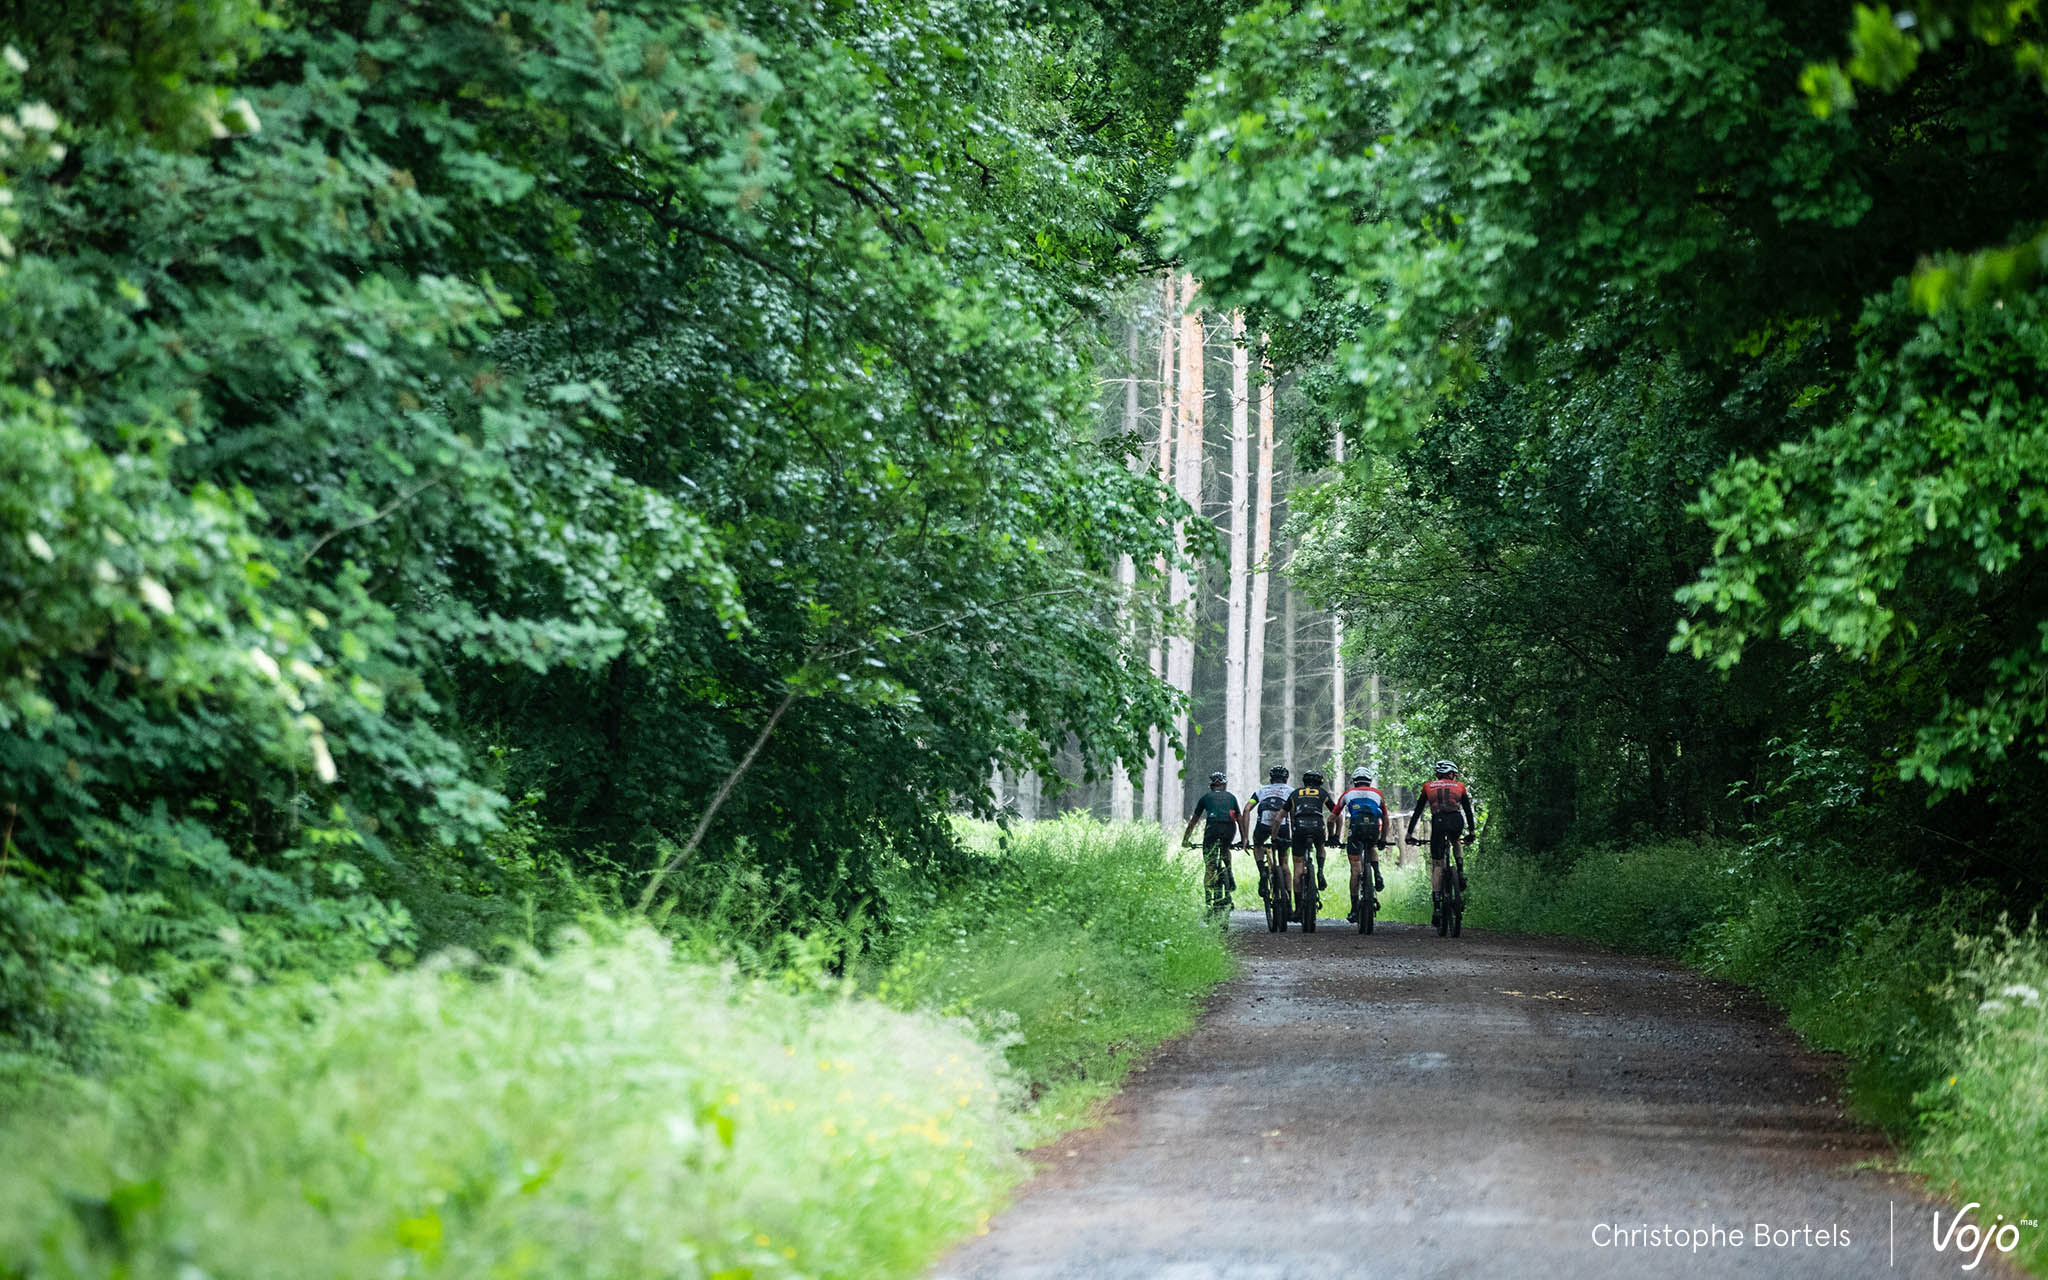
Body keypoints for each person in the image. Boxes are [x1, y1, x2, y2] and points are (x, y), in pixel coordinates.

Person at [1405, 759, 1478, 928]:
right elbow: (1467, 810)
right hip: (1456, 820)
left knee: (1437, 865)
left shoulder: (1428, 786)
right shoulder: (1460, 786)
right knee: (1456, 840)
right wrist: (1472, 832)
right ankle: (1460, 871)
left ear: (1438, 774)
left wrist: (1409, 833)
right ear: (1451, 774)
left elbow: (1418, 811)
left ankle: (1437, 907)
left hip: (1438, 821)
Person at [1181, 771, 1247, 914]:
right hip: (1229, 829)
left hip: (1212, 829)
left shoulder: (1205, 797)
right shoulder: (1231, 797)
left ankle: (1208, 900)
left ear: (1211, 786)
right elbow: (1239, 818)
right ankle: (1229, 871)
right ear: (1225, 785)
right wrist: (1244, 839)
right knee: (1225, 848)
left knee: (1210, 865)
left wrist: (1185, 839)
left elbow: (1194, 821)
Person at [1284, 770, 1339, 923]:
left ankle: (1298, 909)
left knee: (1298, 870)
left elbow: (1280, 816)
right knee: (1320, 846)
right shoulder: (1322, 793)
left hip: (1299, 829)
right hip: (1317, 827)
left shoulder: (1295, 793)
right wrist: (1334, 836)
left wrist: (1276, 836)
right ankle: (1320, 871)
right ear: (1319, 782)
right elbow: (1336, 813)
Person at [1336, 768, 1388, 924]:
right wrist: (1383, 839)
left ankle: (1354, 909)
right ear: (1369, 781)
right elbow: (1386, 819)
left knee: (1355, 870)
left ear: (1354, 781)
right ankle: (1377, 873)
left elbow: (1333, 816)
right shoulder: (1377, 794)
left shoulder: (1348, 793)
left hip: (1356, 828)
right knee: (1371, 846)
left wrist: (1333, 837)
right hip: (1373, 828)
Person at [1248, 765, 1293, 909]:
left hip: (1263, 825)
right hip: (1283, 826)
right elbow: (1293, 813)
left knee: (1258, 844)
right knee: (1284, 864)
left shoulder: (1261, 790)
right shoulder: (1291, 791)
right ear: (1286, 779)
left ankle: (1262, 870)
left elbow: (1247, 808)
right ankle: (1289, 901)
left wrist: (1244, 838)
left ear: (1271, 778)